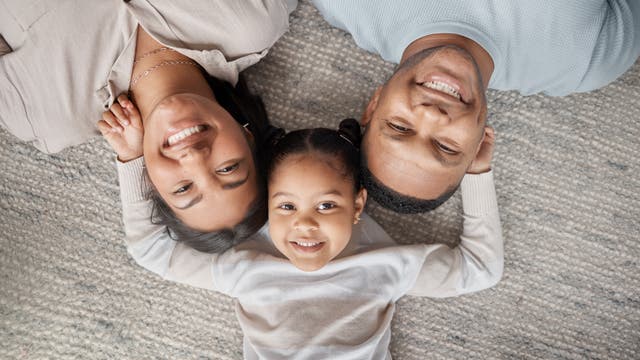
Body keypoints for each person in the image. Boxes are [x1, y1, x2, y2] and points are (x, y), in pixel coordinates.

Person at [113, 115, 503, 358]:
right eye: (286, 207)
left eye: (327, 206)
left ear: (357, 205)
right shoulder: (247, 269)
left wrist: (477, 173)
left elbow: (481, 270)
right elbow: (151, 249)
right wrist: (131, 158)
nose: (305, 225)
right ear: (268, 206)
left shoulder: (387, 267)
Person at [0, 0, 297, 252]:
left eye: (183, 188)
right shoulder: (250, 21)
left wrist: (130, 157)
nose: (194, 158)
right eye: (228, 168)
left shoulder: (50, 116)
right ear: (248, 136)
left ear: (151, 182)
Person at [310, 0, 640, 214]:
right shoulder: (585, 61)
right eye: (445, 145)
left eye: (400, 127)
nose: (431, 115)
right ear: (480, 143)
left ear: (374, 104)